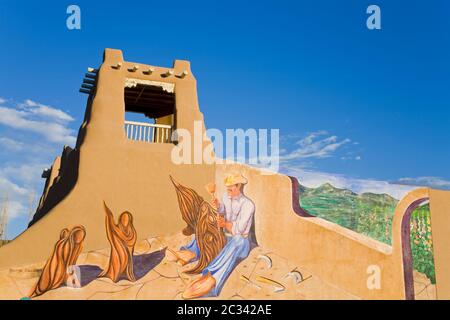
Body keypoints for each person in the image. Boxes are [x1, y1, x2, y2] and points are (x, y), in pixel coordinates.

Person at [178, 173, 255, 299]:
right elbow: (222, 211)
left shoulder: (248, 205)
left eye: (231, 188)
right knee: (206, 227)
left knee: (238, 240)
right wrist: (218, 206)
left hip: (241, 242)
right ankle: (190, 252)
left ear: (239, 186)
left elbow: (240, 229)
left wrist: (225, 224)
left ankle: (212, 277)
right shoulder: (226, 196)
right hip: (226, 237)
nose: (228, 190)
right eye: (227, 188)